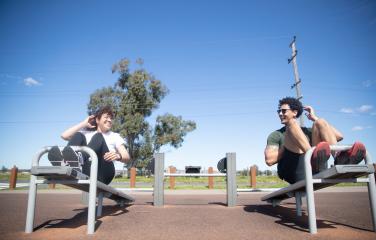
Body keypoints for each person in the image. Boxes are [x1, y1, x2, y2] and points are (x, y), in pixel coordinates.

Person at [264, 97, 366, 184]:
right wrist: (289, 142)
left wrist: (314, 118)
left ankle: (338, 159)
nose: (280, 114)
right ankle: (312, 156)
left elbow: (339, 136)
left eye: (284, 111)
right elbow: (269, 160)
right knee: (292, 124)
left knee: (320, 122)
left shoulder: (308, 131)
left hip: (313, 169)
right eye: (279, 111)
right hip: (292, 172)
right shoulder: (276, 135)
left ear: (295, 112)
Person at [48, 106, 130, 184]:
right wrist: (83, 124)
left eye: (111, 118)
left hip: (104, 172)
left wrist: (118, 156)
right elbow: (64, 135)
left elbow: (126, 156)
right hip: (86, 170)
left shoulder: (114, 136)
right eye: (106, 117)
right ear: (97, 120)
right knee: (78, 135)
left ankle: (79, 159)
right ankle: (66, 162)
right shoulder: (86, 133)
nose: (110, 120)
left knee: (99, 136)